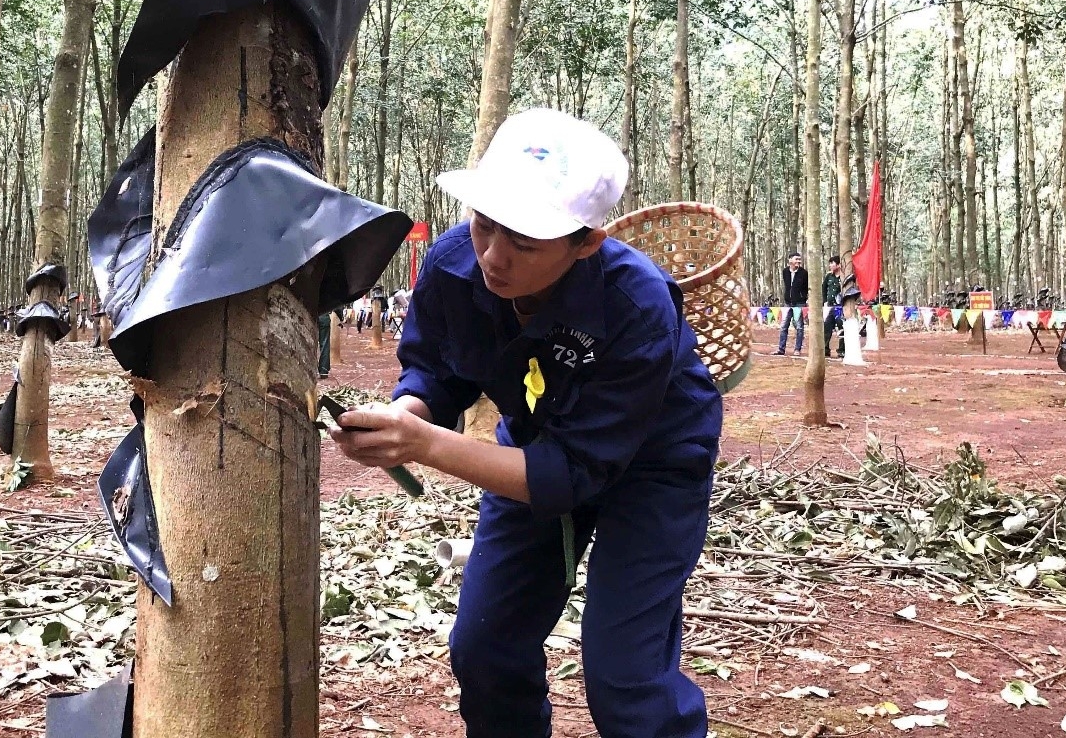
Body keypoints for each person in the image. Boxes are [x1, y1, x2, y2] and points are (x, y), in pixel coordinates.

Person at [328, 108, 721, 738]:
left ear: (587, 241)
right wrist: (406, 413)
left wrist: (426, 444)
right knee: (485, 647)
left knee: (626, 675)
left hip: (653, 463)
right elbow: (436, 367)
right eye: (485, 225)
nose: (494, 256)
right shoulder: (454, 264)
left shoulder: (635, 306)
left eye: (526, 240)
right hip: (533, 440)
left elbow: (569, 476)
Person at [775, 252, 807, 355]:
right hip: (788, 303)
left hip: (799, 303)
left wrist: (803, 297)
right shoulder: (785, 272)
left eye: (799, 259)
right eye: (796, 259)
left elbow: (806, 287)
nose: (798, 261)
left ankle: (797, 349)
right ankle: (781, 349)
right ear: (790, 261)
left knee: (799, 327)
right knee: (784, 326)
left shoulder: (804, 273)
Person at [821, 255, 843, 358]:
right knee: (826, 328)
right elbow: (823, 289)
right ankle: (825, 349)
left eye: (832, 263)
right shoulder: (828, 276)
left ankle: (842, 350)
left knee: (842, 328)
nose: (830, 265)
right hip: (829, 307)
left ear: (838, 265)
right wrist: (824, 301)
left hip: (840, 307)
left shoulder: (844, 277)